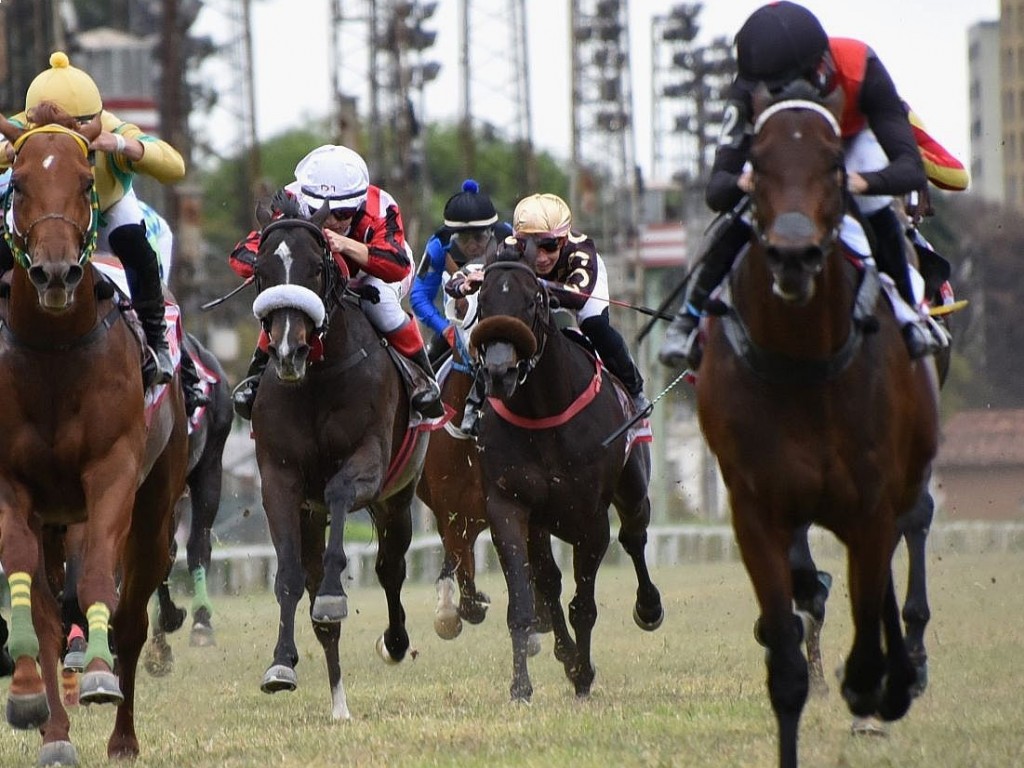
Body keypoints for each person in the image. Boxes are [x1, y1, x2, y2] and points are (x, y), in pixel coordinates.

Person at [658, 2, 960, 370]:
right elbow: (717, 192)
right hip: (784, 152)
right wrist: (744, 182)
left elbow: (910, 169)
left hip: (850, 145)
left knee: (873, 206)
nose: (783, 95)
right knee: (743, 214)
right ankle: (687, 319)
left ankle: (909, 314)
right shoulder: (750, 86)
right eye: (773, 90)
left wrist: (862, 182)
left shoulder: (861, 67)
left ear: (821, 66)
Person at [0, 51, 185, 386]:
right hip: (46, 213)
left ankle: (156, 339)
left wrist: (122, 145)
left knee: (134, 244)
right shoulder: (22, 128)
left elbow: (175, 166)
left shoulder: (112, 127)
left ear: (92, 122)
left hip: (107, 206)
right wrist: (7, 152)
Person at [228, 144, 443, 420]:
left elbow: (396, 265)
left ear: (359, 202)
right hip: (318, 272)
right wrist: (268, 264)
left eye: (343, 213)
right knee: (285, 300)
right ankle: (256, 376)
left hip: (374, 271)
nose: (332, 220)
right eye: (321, 211)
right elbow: (241, 254)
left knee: (381, 305)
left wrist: (346, 244)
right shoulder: (289, 201)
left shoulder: (381, 205)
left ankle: (423, 377)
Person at [447, 192, 650, 436]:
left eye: (549, 246)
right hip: (535, 290)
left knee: (595, 325)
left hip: (575, 287)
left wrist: (535, 286)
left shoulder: (582, 253)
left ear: (563, 241)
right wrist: (464, 284)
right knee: (501, 322)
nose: (541, 257)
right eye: (529, 246)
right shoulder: (509, 247)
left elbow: (577, 297)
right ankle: (476, 400)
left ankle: (634, 390)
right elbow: (459, 278)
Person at [410, 179, 512, 366]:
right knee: (424, 369)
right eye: (463, 239)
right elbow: (419, 296)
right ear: (451, 235)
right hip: (458, 324)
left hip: (504, 321)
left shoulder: (508, 238)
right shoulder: (438, 245)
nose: (472, 246)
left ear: (492, 232)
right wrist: (444, 329)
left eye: (479, 237)